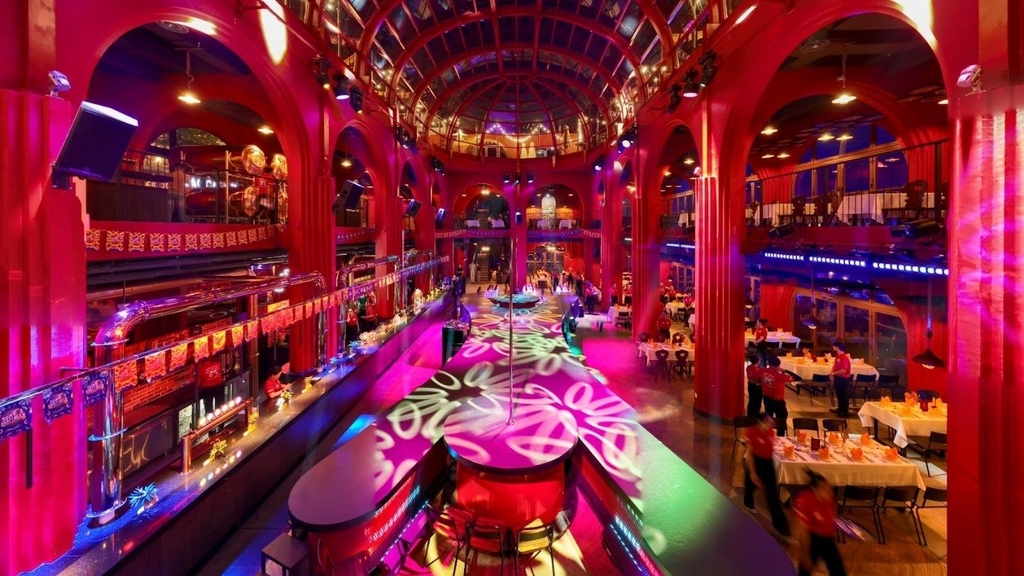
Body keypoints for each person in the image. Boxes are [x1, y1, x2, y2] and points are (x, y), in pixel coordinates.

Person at [743, 412, 790, 537]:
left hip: (768, 464)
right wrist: (753, 473)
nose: (771, 423)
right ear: (760, 422)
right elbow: (750, 455)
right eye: (768, 421)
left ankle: (781, 526)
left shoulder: (770, 432)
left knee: (772, 495)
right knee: (750, 485)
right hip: (756, 462)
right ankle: (748, 501)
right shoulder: (751, 432)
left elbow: (771, 447)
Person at [793, 472, 847, 576]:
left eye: (829, 488)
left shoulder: (828, 500)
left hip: (827, 539)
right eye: (825, 488)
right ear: (815, 490)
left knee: (838, 571)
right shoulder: (804, 501)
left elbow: (829, 519)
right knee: (805, 571)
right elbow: (801, 531)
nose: (830, 491)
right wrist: (804, 555)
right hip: (812, 538)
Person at [761, 356, 792, 436]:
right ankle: (780, 438)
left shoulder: (763, 371)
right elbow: (798, 378)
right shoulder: (780, 376)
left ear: (768, 363)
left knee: (768, 420)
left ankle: (768, 436)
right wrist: (784, 371)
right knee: (781, 420)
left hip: (767, 399)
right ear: (778, 365)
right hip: (778, 402)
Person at [829, 341, 853, 417]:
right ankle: (840, 408)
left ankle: (845, 411)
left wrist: (834, 373)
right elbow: (835, 365)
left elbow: (843, 370)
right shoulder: (838, 356)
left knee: (844, 395)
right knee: (839, 394)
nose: (833, 347)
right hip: (838, 378)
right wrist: (832, 372)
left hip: (843, 379)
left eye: (834, 346)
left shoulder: (844, 357)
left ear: (837, 347)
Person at [745, 353, 764, 418]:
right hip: (757, 387)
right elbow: (760, 380)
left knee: (751, 400)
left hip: (750, 385)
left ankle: (749, 414)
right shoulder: (757, 370)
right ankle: (755, 415)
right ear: (758, 361)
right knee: (757, 401)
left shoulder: (748, 367)